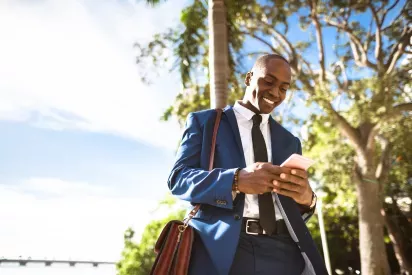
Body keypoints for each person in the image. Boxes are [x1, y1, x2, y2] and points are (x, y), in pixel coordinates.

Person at [167, 54, 328, 275]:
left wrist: (306, 200)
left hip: (284, 252)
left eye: (284, 88)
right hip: (226, 250)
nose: (275, 93)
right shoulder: (205, 123)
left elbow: (292, 205)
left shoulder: (290, 141)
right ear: (249, 77)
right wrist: (235, 180)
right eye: (268, 81)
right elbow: (178, 179)